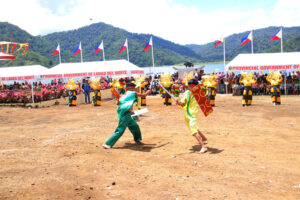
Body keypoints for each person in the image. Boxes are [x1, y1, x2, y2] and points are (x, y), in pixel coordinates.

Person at [103, 82, 151, 149]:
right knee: (120, 130)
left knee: (135, 126)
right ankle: (108, 143)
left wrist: (131, 112)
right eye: (134, 88)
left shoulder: (125, 95)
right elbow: (143, 95)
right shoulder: (132, 93)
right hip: (125, 115)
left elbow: (125, 105)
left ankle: (137, 140)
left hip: (126, 114)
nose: (135, 89)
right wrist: (148, 92)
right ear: (131, 87)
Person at [177, 79, 208, 153]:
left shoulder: (194, 93)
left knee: (193, 130)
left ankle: (203, 146)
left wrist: (180, 102)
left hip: (191, 115)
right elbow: (184, 102)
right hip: (189, 114)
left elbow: (183, 102)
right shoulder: (193, 93)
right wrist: (179, 102)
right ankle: (203, 138)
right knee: (193, 128)